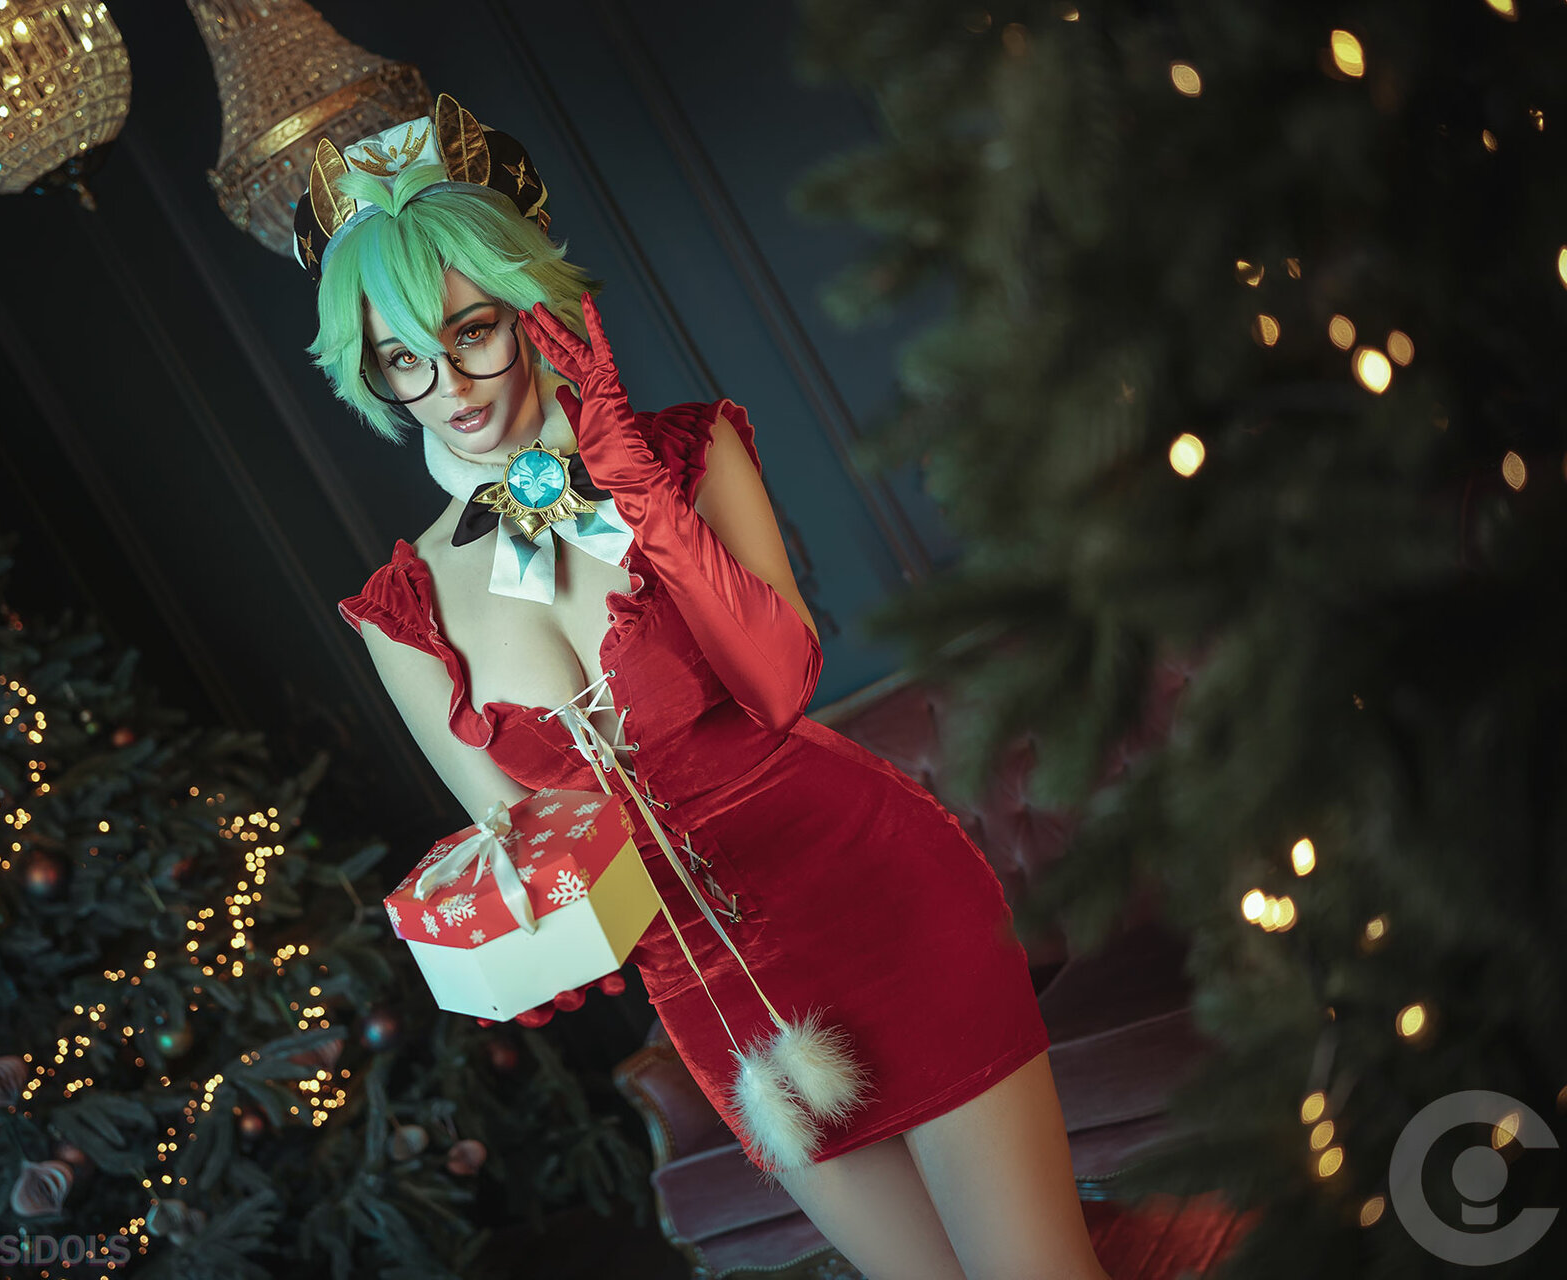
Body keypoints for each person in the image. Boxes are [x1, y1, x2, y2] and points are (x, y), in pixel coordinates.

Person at [312, 94, 1110, 1280]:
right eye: (402, 358)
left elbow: (782, 686)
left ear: (533, 308)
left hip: (880, 895)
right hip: (723, 1002)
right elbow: (531, 852)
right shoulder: (402, 613)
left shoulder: (687, 453)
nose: (451, 385)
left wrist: (633, 482)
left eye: (472, 331)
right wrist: (529, 950)